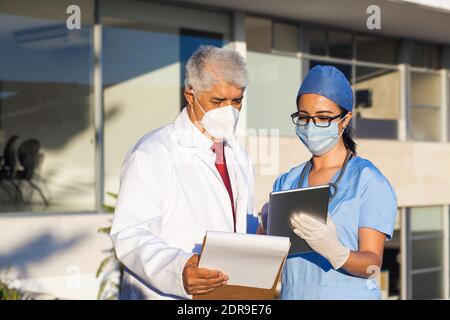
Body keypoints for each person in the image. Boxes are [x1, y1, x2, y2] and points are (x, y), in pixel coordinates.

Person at [110, 45, 255, 299]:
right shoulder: (153, 152)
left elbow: (238, 228)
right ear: (190, 95)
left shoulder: (238, 155)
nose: (229, 110)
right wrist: (179, 270)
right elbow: (130, 234)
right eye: (218, 101)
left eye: (237, 100)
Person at [260, 65, 397, 299]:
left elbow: (373, 264)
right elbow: (269, 263)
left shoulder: (368, 181)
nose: (311, 125)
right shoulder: (286, 182)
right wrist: (263, 231)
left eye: (323, 118)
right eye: (304, 117)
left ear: (345, 120)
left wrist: (338, 253)